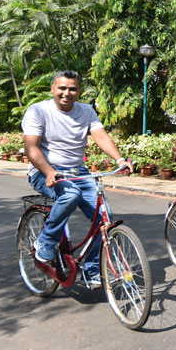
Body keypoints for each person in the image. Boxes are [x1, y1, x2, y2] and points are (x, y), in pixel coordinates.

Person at [22, 70, 133, 286]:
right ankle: (45, 241)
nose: (67, 93)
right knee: (70, 195)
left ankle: (91, 270)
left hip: (77, 171)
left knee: (104, 219)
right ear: (52, 89)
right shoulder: (38, 111)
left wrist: (120, 160)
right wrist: (48, 171)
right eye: (62, 88)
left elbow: (100, 136)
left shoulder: (86, 110)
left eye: (72, 89)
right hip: (44, 171)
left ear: (79, 91)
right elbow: (31, 147)